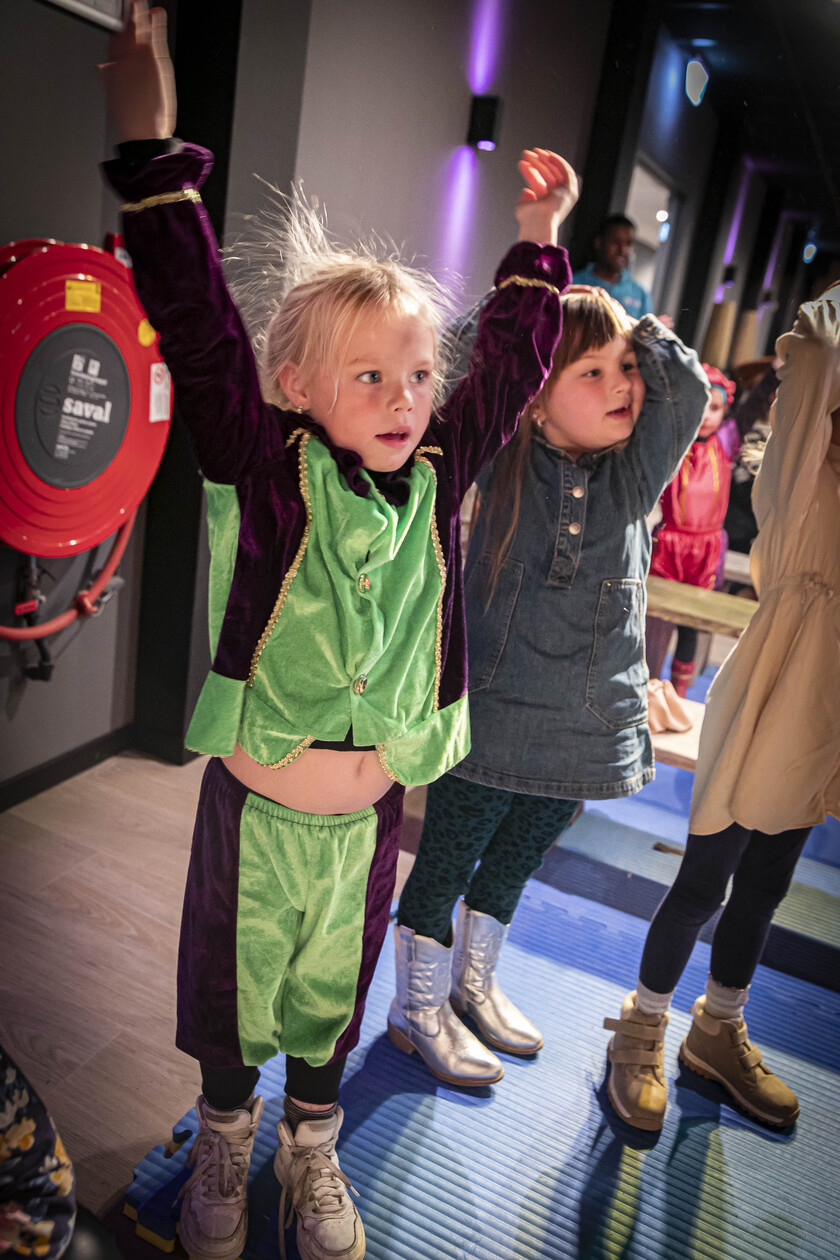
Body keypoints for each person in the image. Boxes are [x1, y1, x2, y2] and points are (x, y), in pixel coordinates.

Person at [99, 6, 575, 1259]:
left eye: (415, 376)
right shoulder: (264, 468)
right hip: (256, 819)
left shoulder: (438, 474)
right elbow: (199, 326)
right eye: (370, 376)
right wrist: (152, 153)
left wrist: (538, 247)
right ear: (297, 388)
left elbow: (505, 371)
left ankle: (313, 1143)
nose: (405, 400)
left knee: (331, 998)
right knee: (231, 996)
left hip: (365, 826)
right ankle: (226, 1131)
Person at [389, 277, 709, 1086]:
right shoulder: (505, 457)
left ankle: (473, 986)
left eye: (625, 369)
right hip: (492, 718)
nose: (622, 385)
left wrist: (635, 330)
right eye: (591, 372)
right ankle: (416, 1008)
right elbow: (460, 355)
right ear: (535, 397)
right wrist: (538, 293)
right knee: (446, 864)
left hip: (584, 729)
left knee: (514, 865)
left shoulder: (634, 474)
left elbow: (688, 391)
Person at [603, 282, 840, 1133]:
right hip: (779, 675)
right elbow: (818, 341)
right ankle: (642, 1026)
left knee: (769, 881)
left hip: (829, 695)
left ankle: (718, 1028)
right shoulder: (808, 465)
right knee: (708, 874)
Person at [649, 363, 738, 696]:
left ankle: (680, 692)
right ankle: (646, 688)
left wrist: (774, 372)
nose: (705, 416)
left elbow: (753, 406)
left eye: (714, 408)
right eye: (699, 407)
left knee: (691, 626)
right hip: (670, 544)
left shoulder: (726, 441)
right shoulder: (676, 440)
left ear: (725, 411)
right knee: (655, 623)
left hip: (706, 549)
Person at [572, 214, 653, 319]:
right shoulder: (575, 283)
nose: (622, 250)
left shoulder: (640, 293)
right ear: (598, 243)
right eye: (615, 242)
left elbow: (647, 328)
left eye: (628, 244)